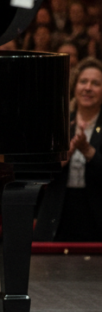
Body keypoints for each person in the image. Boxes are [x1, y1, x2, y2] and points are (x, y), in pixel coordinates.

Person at [36, 57, 102, 241]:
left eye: (95, 83)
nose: (88, 87)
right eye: (83, 81)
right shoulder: (58, 123)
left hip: (96, 217)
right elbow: (38, 174)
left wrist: (89, 151)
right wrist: (61, 159)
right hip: (57, 214)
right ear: (75, 86)